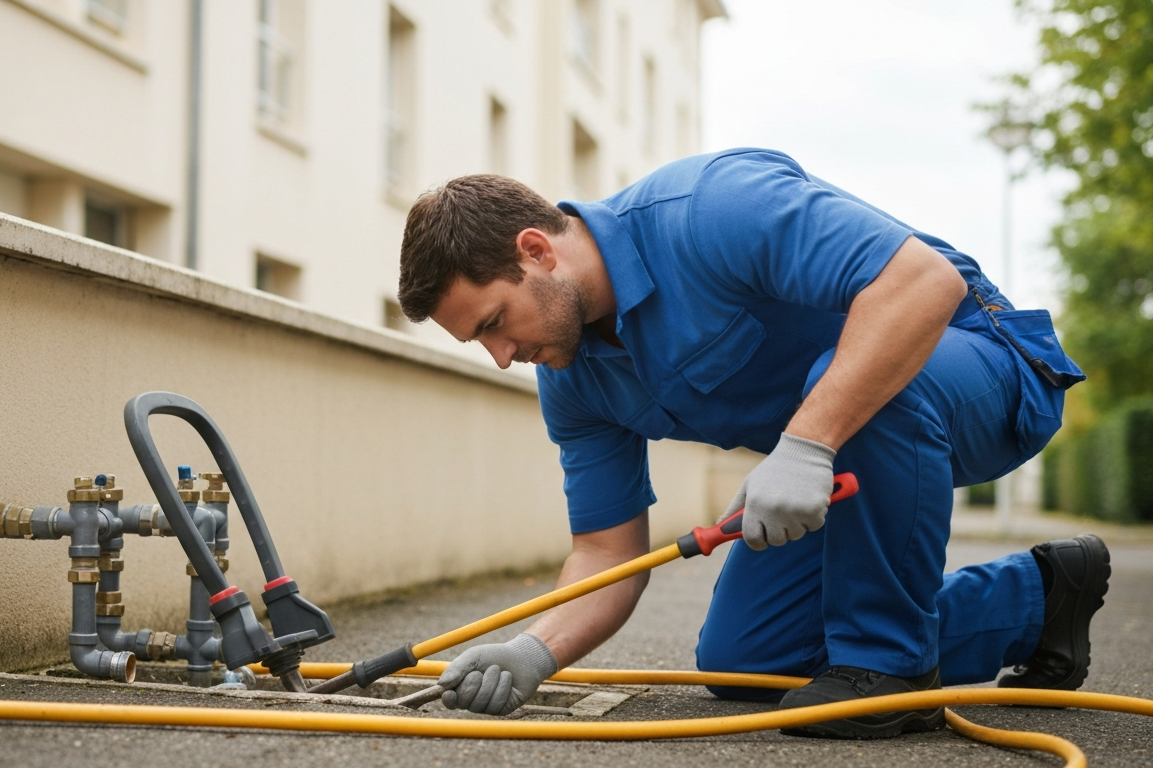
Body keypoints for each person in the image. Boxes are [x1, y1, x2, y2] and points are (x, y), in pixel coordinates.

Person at [394, 149, 1111, 739]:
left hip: (985, 368)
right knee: (747, 662)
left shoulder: (711, 208)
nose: (500, 354)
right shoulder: (572, 375)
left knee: (848, 384)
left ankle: (890, 669)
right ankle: (1039, 599)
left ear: (536, 250)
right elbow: (606, 551)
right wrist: (535, 651)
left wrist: (804, 443)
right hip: (847, 453)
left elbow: (922, 283)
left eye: (494, 322)